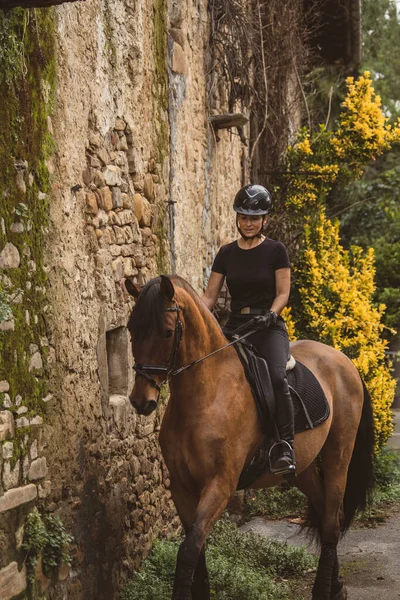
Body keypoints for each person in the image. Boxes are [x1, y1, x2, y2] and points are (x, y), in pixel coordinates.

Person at [202, 184, 295, 475]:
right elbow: (209, 297)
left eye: (255, 217)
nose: (249, 222)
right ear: (237, 218)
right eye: (244, 217)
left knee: (277, 378)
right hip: (236, 327)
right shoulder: (226, 253)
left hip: (268, 327)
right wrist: (195, 316)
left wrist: (270, 315)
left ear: (265, 219)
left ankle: (285, 445)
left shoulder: (276, 250)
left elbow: (282, 292)